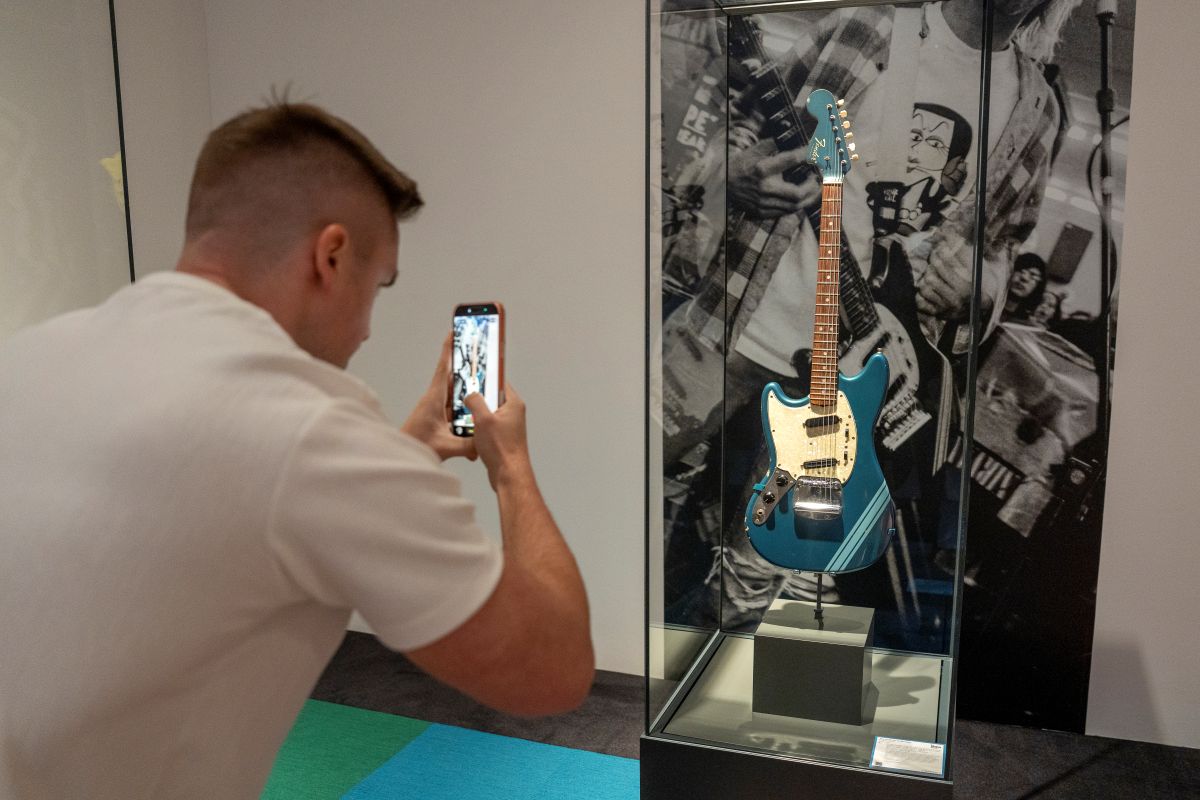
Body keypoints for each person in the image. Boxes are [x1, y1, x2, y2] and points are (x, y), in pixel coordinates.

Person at [0, 102, 594, 799]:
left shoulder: (29, 357)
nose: (367, 329)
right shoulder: (313, 430)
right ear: (330, 256)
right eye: (377, 286)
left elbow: (225, 505)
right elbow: (552, 670)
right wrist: (509, 464)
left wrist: (405, 450)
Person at [662, 0, 1082, 630]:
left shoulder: (1036, 110)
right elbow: (736, 122)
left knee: (750, 585)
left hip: (856, 384)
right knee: (627, 471)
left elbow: (1003, 246)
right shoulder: (865, 28)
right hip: (739, 321)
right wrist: (734, 171)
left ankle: (699, 671)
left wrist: (981, 287)